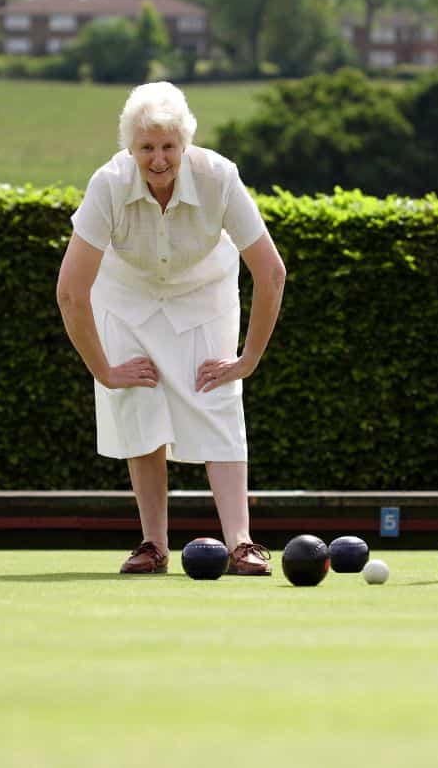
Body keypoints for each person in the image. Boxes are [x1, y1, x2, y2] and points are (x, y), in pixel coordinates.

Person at [56, 81, 286, 576]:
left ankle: (241, 543)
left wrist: (248, 361)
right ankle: (153, 545)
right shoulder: (108, 184)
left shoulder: (220, 177)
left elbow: (271, 273)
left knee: (217, 398)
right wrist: (106, 371)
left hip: (203, 295)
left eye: (168, 146)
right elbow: (71, 292)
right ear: (129, 147)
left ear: (185, 144)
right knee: (138, 401)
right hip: (127, 298)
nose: (158, 159)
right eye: (146, 147)